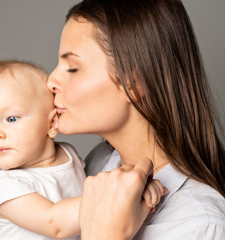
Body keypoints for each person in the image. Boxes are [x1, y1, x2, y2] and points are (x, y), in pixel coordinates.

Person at [47, 0, 225, 239]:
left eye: (72, 68)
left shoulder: (199, 224)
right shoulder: (98, 164)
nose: (50, 81)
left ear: (133, 83)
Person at [0, 60, 166, 240]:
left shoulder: (68, 154)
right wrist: (121, 195)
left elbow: (104, 184)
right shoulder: (2, 185)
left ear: (51, 123)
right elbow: (54, 223)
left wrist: (135, 188)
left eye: (11, 119)